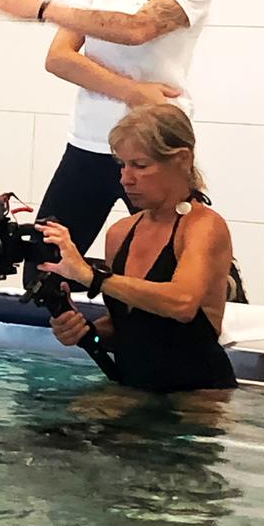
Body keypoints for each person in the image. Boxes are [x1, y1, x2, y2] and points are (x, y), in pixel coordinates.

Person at [0, 0, 213, 287]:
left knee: (173, 269)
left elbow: (137, 28)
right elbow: (60, 57)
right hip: (88, 142)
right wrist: (131, 92)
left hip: (154, 146)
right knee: (42, 268)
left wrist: (42, 8)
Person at [36, 105, 236, 393]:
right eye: (122, 165)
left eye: (140, 166)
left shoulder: (202, 226)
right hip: (133, 389)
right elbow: (133, 326)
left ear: (182, 159)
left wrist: (93, 277)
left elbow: (182, 303)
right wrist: (84, 329)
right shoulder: (121, 233)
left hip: (197, 397)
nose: (125, 178)